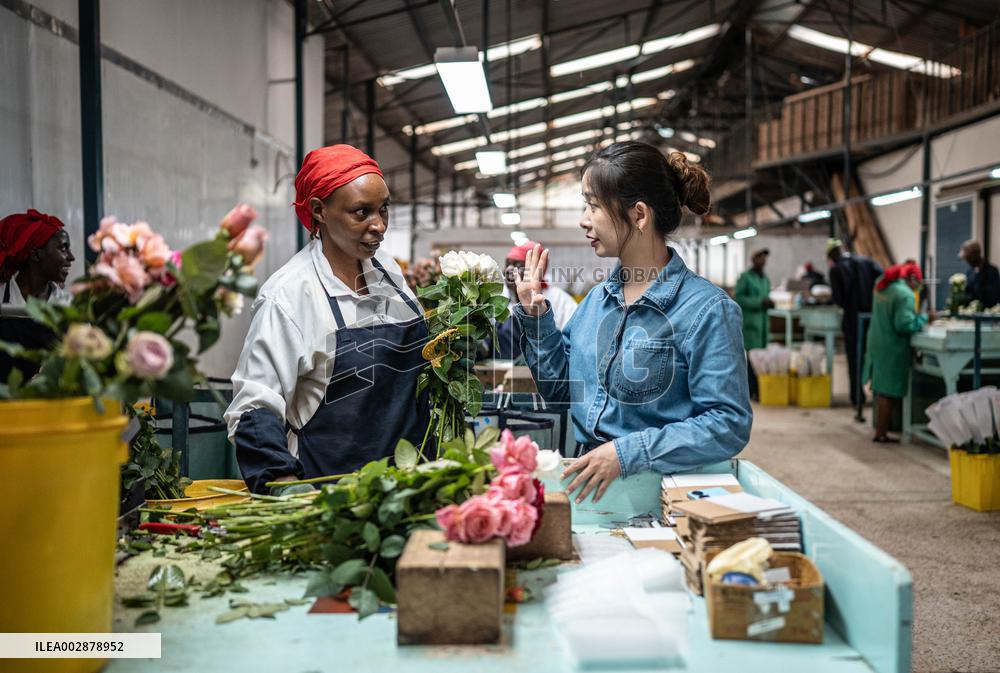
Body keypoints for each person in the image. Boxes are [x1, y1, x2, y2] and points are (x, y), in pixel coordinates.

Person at [512, 141, 752, 503]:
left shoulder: (706, 310)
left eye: (593, 205)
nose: (583, 219)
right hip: (590, 489)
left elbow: (727, 425)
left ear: (639, 215)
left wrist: (626, 454)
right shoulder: (596, 302)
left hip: (660, 498)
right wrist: (536, 318)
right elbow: (563, 392)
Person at [224, 145, 431, 494]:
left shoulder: (390, 274)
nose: (378, 225)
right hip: (333, 497)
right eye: (360, 212)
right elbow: (253, 407)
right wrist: (283, 483)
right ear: (319, 211)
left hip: (408, 486)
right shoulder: (290, 296)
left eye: (383, 209)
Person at [0, 209, 74, 382]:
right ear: (35, 254)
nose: (71, 257)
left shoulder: (69, 307)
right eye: (63, 248)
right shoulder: (2, 294)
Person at [864, 262, 932, 442]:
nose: (918, 287)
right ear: (911, 279)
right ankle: (881, 434)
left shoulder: (883, 284)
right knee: (888, 391)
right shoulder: (905, 295)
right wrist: (925, 318)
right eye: (918, 282)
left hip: (877, 341)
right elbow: (904, 325)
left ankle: (881, 430)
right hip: (892, 346)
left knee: (881, 388)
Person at [492, 240, 577, 360]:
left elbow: (574, 340)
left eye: (518, 265)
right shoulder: (501, 299)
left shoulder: (559, 300)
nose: (509, 270)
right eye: (508, 264)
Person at [827, 239, 883, 407]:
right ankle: (879, 396)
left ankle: (857, 396)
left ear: (833, 254)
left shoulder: (836, 270)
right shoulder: (867, 261)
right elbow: (883, 280)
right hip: (873, 319)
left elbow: (838, 299)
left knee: (854, 359)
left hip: (852, 320)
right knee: (875, 357)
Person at [734, 248, 773, 400]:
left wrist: (769, 302)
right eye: (760, 258)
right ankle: (750, 390)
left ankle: (760, 389)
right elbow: (739, 298)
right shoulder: (745, 278)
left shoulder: (765, 279)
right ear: (753, 259)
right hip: (751, 323)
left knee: (761, 359)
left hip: (762, 323)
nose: (762, 261)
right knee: (751, 360)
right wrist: (759, 302)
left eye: (764, 258)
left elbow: (765, 296)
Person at [959, 240, 1000, 309]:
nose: (966, 261)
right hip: (971, 312)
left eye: (967, 258)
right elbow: (968, 292)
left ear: (973, 256)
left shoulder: (991, 271)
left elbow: (993, 296)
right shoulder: (970, 272)